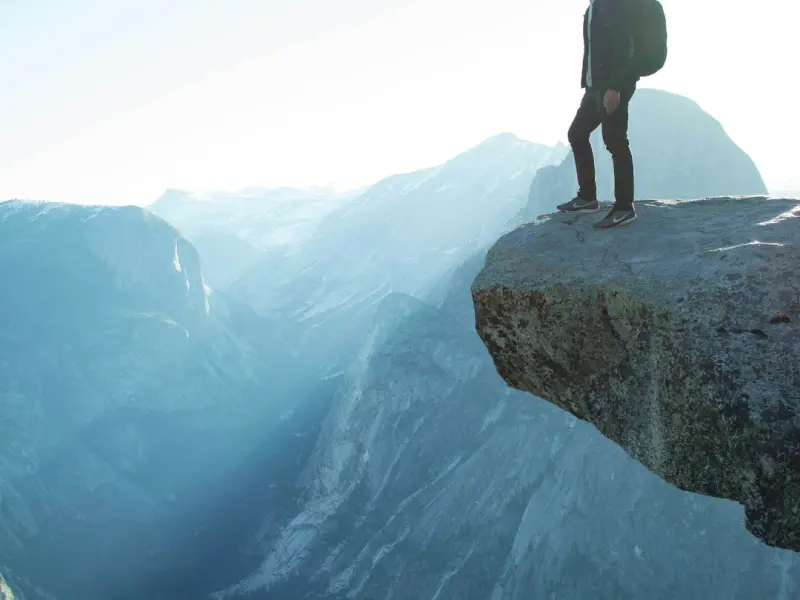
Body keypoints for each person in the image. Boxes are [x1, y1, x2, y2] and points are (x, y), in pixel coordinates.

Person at [557, 0, 640, 228]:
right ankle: (587, 198)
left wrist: (615, 87)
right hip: (595, 87)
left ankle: (624, 207)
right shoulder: (594, 6)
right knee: (577, 133)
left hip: (612, 86)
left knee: (615, 141)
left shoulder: (614, 4)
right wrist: (588, 82)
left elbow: (625, 46)